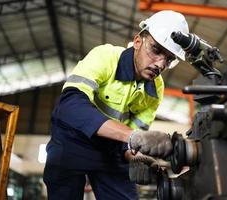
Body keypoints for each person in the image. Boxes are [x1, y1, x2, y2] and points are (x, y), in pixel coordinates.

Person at [43, 10, 189, 200]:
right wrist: (133, 136)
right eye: (156, 50)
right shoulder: (105, 57)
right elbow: (70, 106)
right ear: (138, 41)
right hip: (71, 142)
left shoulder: (156, 89)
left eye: (169, 59)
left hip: (109, 152)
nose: (160, 64)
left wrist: (135, 156)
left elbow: (129, 145)